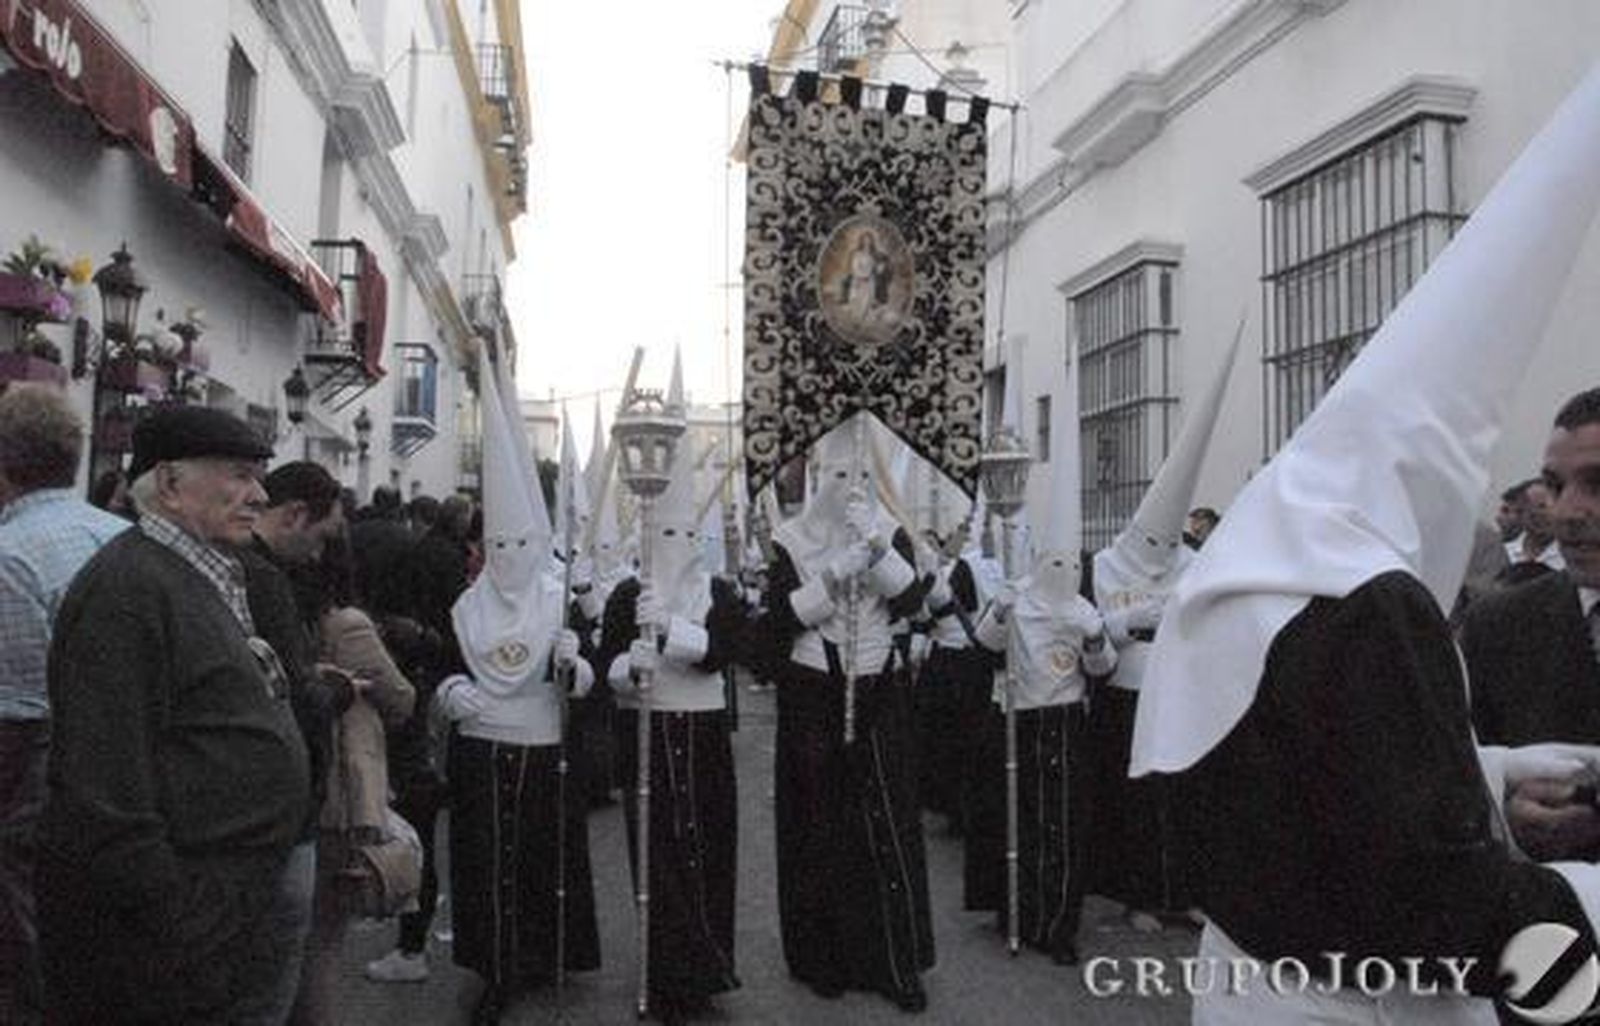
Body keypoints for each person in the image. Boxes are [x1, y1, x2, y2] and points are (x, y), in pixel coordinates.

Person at [1130, 63, 1600, 1023]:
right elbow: (1437, 895)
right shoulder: (1368, 604)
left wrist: (1493, 773)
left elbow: (1319, 776)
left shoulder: (1261, 573)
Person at [38, 405, 311, 1024]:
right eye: (239, 475)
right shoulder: (128, 591)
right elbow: (105, 789)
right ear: (169, 483)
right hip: (164, 940)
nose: (259, 495)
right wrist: (181, 921)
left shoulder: (191, 572)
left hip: (215, 909)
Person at [438, 346, 598, 1024]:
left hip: (541, 744)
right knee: (483, 862)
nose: (507, 558)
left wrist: (573, 661)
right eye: (496, 547)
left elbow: (586, 682)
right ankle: (492, 964)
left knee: (537, 860)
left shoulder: (557, 600)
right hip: (481, 748)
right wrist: (451, 693)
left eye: (518, 546)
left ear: (535, 544)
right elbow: (443, 667)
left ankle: (538, 953)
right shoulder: (465, 606)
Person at [756, 414, 934, 1013]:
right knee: (820, 821)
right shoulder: (792, 541)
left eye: (860, 477)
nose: (848, 487)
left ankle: (895, 961)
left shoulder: (888, 531)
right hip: (814, 686)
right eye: (837, 475)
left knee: (886, 817)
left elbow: (912, 603)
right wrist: (832, 576)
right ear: (818, 475)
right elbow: (775, 626)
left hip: (878, 681)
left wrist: (877, 551)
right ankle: (823, 956)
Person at [597, 365, 744, 1021]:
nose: (675, 545)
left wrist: (672, 631)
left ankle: (707, 971)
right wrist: (628, 665)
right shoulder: (629, 593)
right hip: (650, 733)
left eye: (686, 535)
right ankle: (661, 976)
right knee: (655, 857)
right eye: (665, 535)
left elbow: (723, 655)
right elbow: (605, 668)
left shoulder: (719, 594)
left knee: (708, 849)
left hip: (703, 734)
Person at [1090, 326, 1241, 931]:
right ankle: (1138, 895)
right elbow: (1093, 633)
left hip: (1177, 693)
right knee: (1135, 803)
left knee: (1183, 796)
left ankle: (1184, 892)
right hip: (1125, 698)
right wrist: (1132, 620)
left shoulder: (1191, 562)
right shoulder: (1105, 564)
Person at [965, 357, 1114, 966]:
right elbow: (985, 646)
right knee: (1023, 821)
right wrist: (1001, 611)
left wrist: (1096, 640)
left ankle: (1061, 924)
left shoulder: (1082, 608)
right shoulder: (1019, 593)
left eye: (1069, 564)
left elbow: (1099, 671)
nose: (1062, 571)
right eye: (1053, 563)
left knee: (1066, 826)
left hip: (1066, 722)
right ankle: (1020, 914)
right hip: (1021, 719)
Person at [0, 387, 129, 1025]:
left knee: (35, 952)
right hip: (133, 779)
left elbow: (18, 712)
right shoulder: (125, 538)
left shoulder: (11, 556)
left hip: (50, 787)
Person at [286, 531, 415, 1026]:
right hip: (340, 792)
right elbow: (400, 698)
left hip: (302, 787)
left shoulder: (296, 620)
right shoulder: (347, 625)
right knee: (323, 941)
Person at [1466, 389, 1600, 750]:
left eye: (1598, 484)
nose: (1566, 512)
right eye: (1556, 486)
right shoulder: (1496, 629)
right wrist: (1503, 780)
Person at [1499, 476, 1566, 584]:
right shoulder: (1503, 553)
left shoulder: (1572, 558)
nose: (1537, 514)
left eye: (1543, 506)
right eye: (1530, 507)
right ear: (1519, 513)